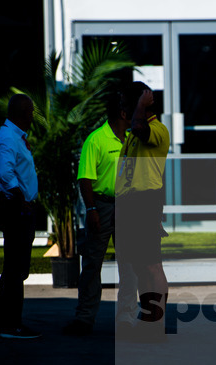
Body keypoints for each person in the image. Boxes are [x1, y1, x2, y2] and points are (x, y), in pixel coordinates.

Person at [62, 93, 139, 336]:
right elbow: (85, 178)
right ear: (124, 114)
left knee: (129, 266)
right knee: (93, 264)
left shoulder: (132, 140)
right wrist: (92, 209)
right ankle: (85, 319)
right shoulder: (96, 140)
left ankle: (126, 319)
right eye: (132, 110)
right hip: (102, 205)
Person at [114, 82, 171, 342]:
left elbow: (139, 127)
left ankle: (156, 325)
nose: (124, 108)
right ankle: (148, 319)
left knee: (151, 264)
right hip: (129, 203)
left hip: (146, 201)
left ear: (144, 103)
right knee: (138, 265)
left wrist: (140, 105)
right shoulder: (131, 135)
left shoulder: (157, 130)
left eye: (129, 102)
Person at [0, 93, 40, 339]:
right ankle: (9, 323)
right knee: (15, 267)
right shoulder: (8, 137)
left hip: (19, 207)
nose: (33, 116)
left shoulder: (15, 136)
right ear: (21, 113)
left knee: (16, 267)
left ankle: (6, 319)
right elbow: (5, 172)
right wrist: (22, 200)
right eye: (30, 112)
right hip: (15, 208)